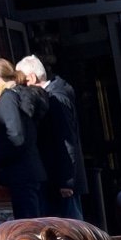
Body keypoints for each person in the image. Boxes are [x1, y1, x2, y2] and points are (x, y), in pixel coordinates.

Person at [15, 54, 87, 219]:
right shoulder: (57, 94)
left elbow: (66, 141)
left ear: (31, 78)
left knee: (72, 230)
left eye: (22, 82)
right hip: (60, 178)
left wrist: (65, 181)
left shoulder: (55, 100)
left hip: (62, 181)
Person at [0, 58, 48, 219]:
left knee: (27, 224)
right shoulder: (22, 94)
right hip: (32, 170)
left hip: (20, 173)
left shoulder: (8, 98)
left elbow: (15, 136)